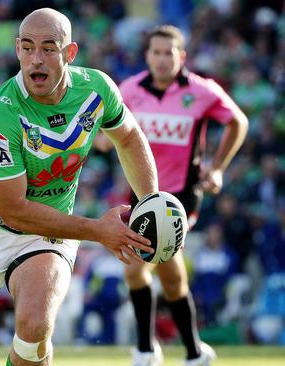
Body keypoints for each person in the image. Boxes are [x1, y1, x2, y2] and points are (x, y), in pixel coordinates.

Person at [0, 8, 159, 366]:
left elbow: (129, 137)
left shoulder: (97, 88)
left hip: (48, 230)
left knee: (35, 326)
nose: (35, 59)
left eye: (48, 48)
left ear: (70, 53)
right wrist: (98, 231)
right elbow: (14, 210)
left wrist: (150, 201)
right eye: (26, 48)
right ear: (16, 50)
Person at [116, 25, 248, 366]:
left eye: (168, 53)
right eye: (156, 52)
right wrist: (104, 139)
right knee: (138, 269)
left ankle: (179, 351)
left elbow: (237, 122)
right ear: (147, 56)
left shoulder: (201, 92)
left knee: (161, 265)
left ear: (181, 56)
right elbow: (107, 129)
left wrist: (217, 167)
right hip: (141, 193)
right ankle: (161, 350)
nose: (162, 59)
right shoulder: (129, 90)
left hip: (180, 198)